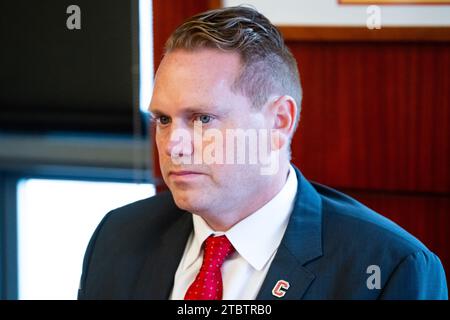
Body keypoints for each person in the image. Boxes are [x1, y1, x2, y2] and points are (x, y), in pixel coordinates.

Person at [78, 6, 448, 300]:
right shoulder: (118, 236)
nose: (174, 144)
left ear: (279, 121)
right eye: (162, 119)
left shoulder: (389, 268)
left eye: (203, 118)